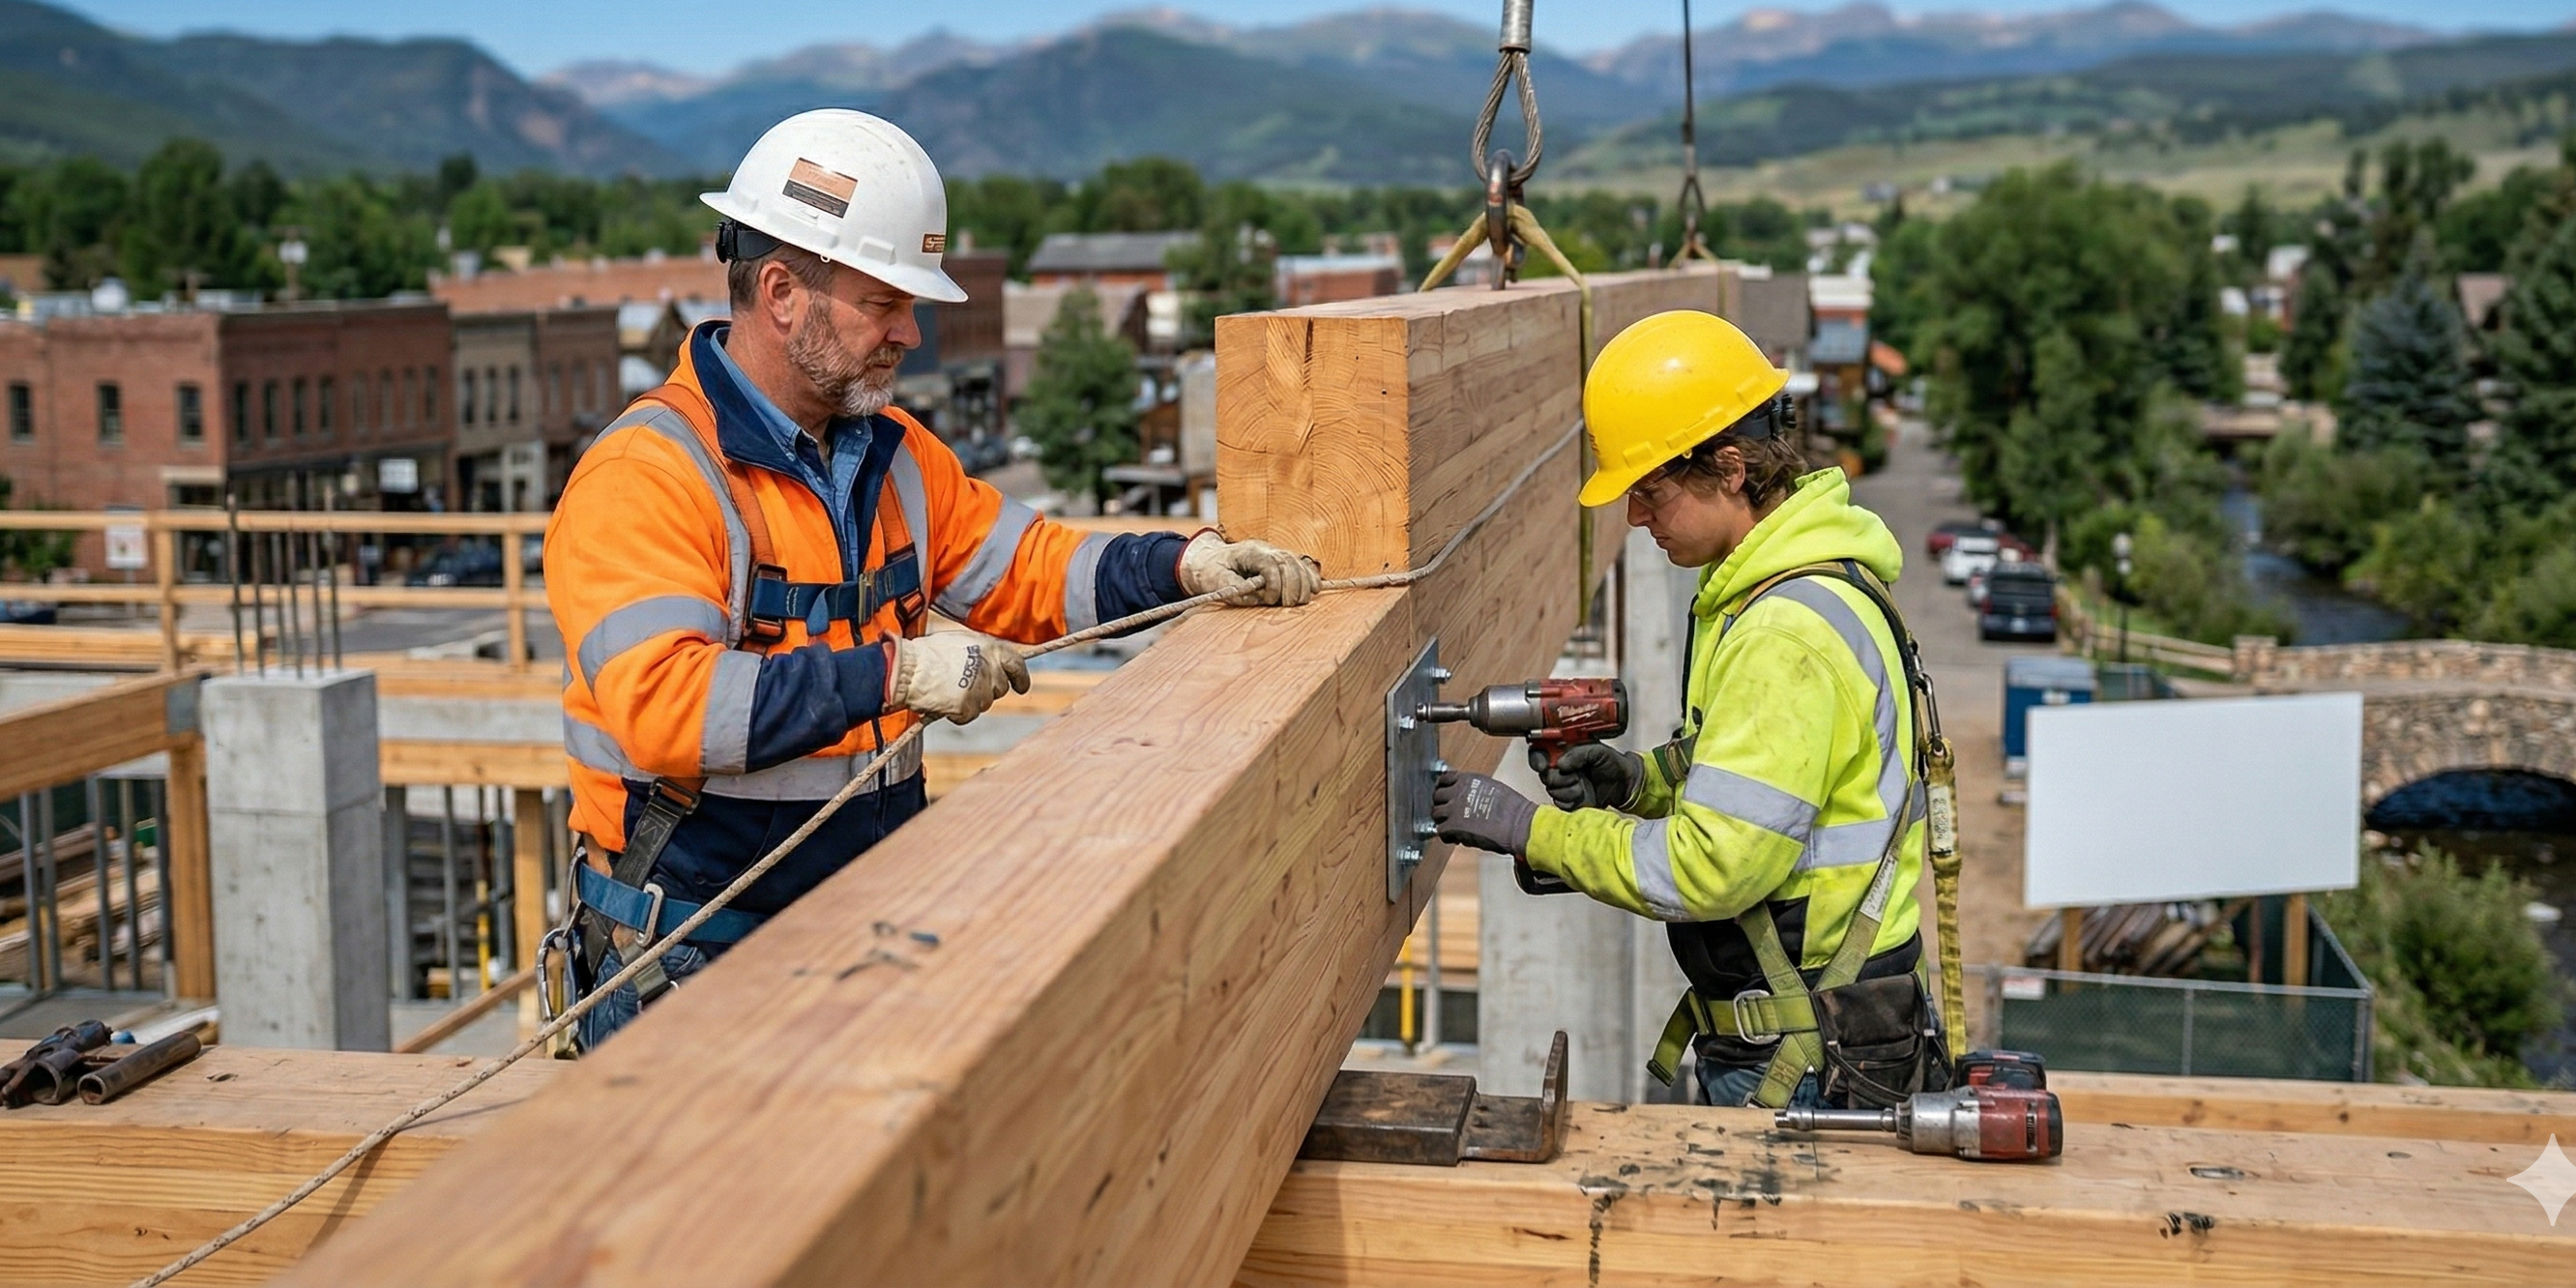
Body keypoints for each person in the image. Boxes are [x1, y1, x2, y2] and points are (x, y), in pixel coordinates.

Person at [546, 109, 1318, 1048]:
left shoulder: (894, 458)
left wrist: (1183, 565)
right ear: (784, 292)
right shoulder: (653, 475)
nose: (912, 333)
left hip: (853, 938)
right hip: (693, 962)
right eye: (884, 303)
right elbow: (669, 707)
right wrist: (898, 676)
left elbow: (1032, 572)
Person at [1428, 309, 1949, 1109]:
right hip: (1817, 1036)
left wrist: (1530, 830)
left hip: (1804, 1063)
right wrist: (1637, 783)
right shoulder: (1790, 587)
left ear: (1731, 468)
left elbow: (1710, 870)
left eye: (1649, 490)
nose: (1635, 517)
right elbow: (1763, 779)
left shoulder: (1785, 635)